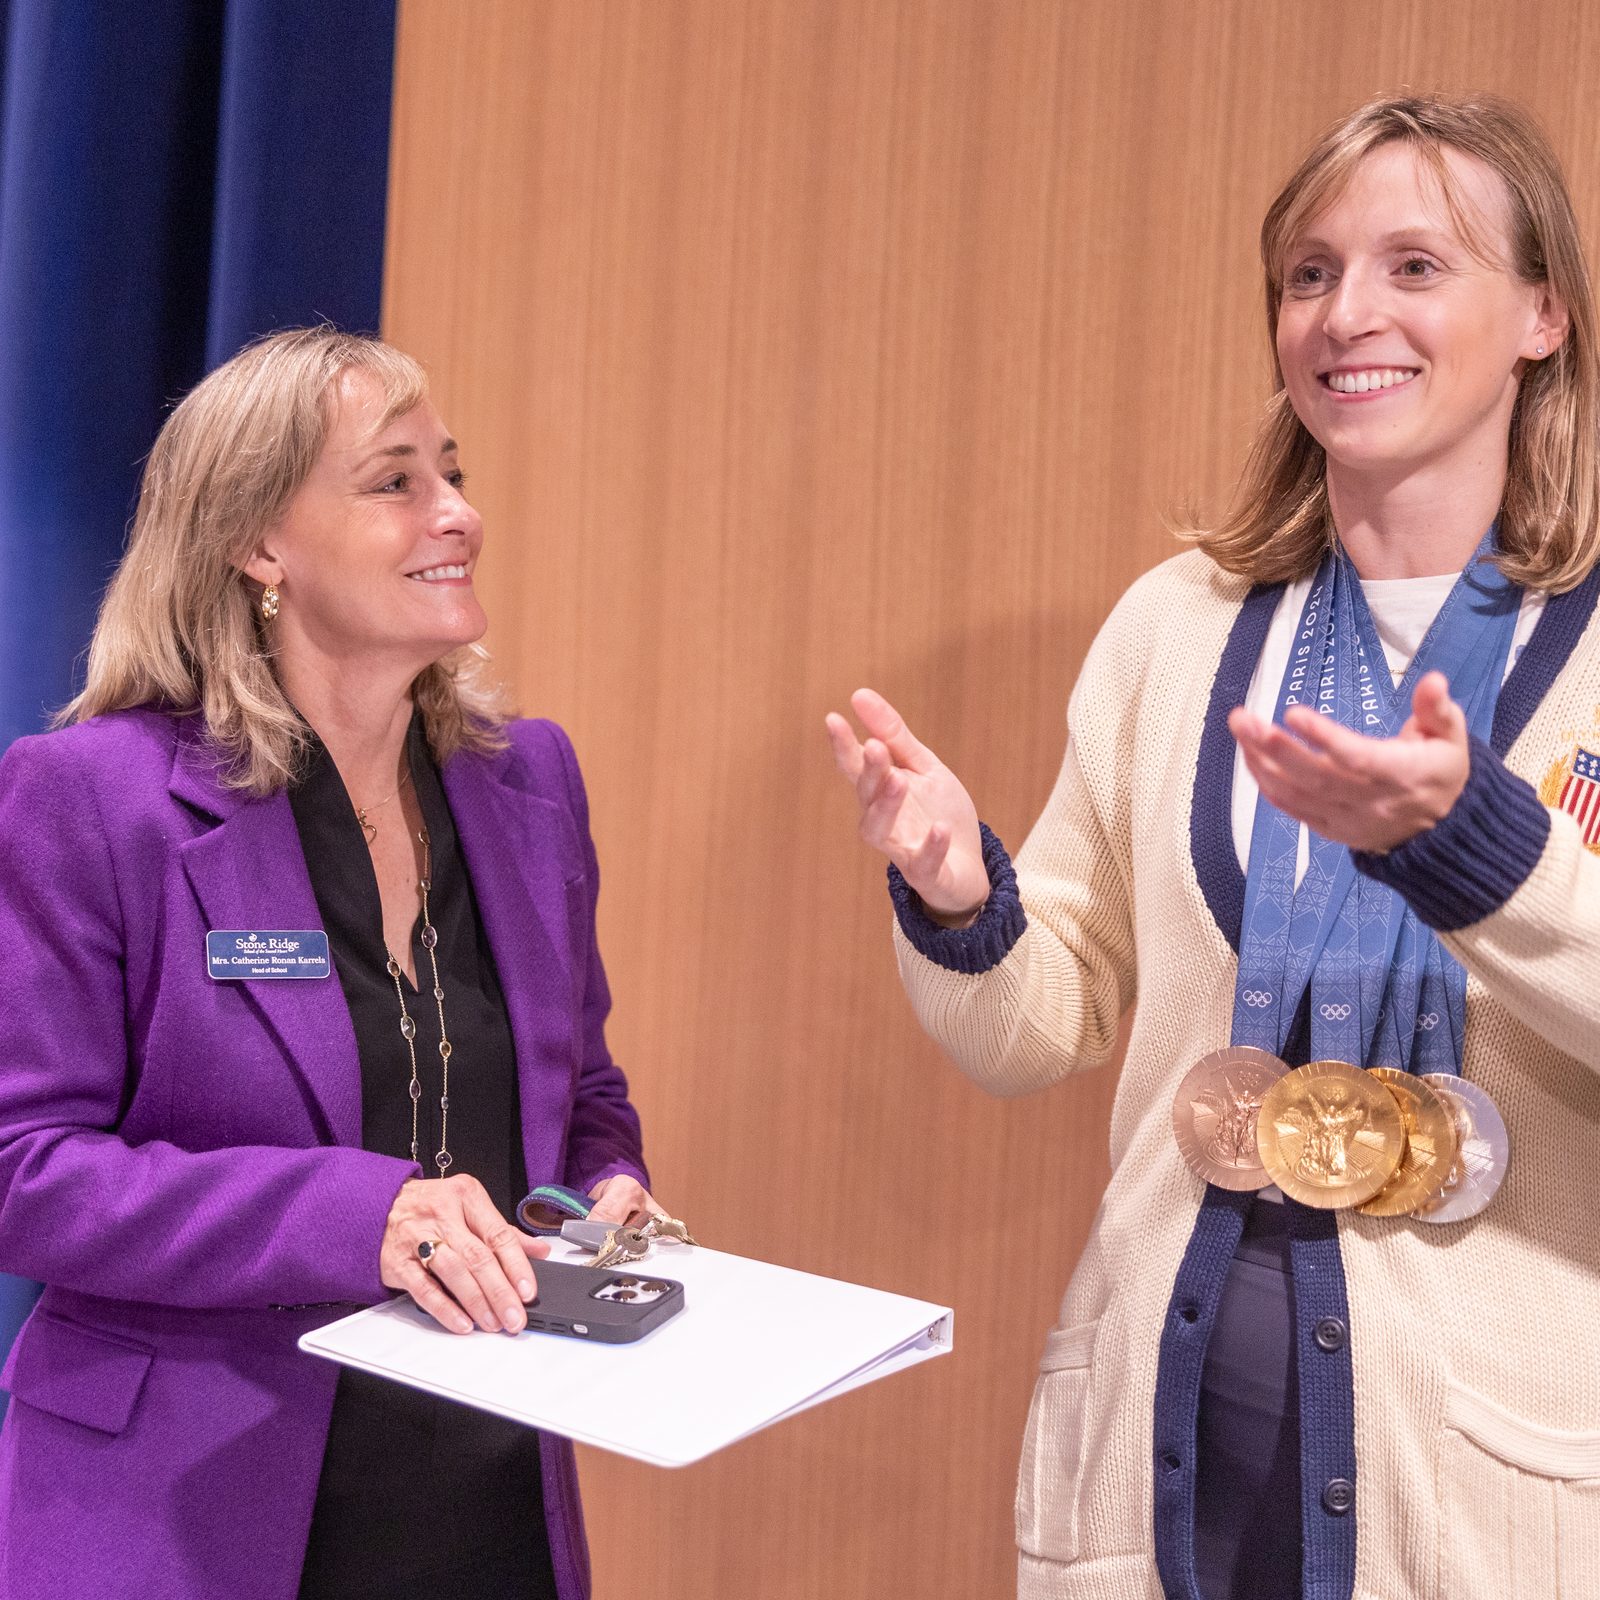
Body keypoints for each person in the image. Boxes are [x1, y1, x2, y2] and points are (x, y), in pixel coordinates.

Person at [828, 93, 1600, 1600]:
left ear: (1543, 315)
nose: (1345, 314)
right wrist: (961, 896)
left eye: (1414, 267)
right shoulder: (1175, 627)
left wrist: (1479, 854)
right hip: (1169, 1454)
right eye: (1308, 274)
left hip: (1495, 1493)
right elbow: (1042, 1024)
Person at [0, 328, 663, 1600]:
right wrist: (355, 1214)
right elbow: (27, 1169)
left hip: (484, 1497)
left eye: (453, 473)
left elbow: (581, 1095)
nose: (457, 513)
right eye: (394, 480)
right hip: (182, 1506)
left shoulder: (530, 783)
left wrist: (609, 1195)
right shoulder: (95, 800)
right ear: (259, 543)